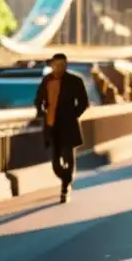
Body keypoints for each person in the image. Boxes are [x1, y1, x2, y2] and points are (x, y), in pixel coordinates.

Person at [34, 53, 90, 203]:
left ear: (66, 65)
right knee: (55, 162)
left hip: (68, 124)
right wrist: (41, 112)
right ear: (52, 65)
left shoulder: (75, 81)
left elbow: (84, 102)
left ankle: (65, 187)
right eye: (56, 65)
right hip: (52, 124)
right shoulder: (46, 81)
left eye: (62, 65)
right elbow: (38, 100)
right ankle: (67, 178)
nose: (58, 67)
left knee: (68, 155)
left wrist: (73, 115)